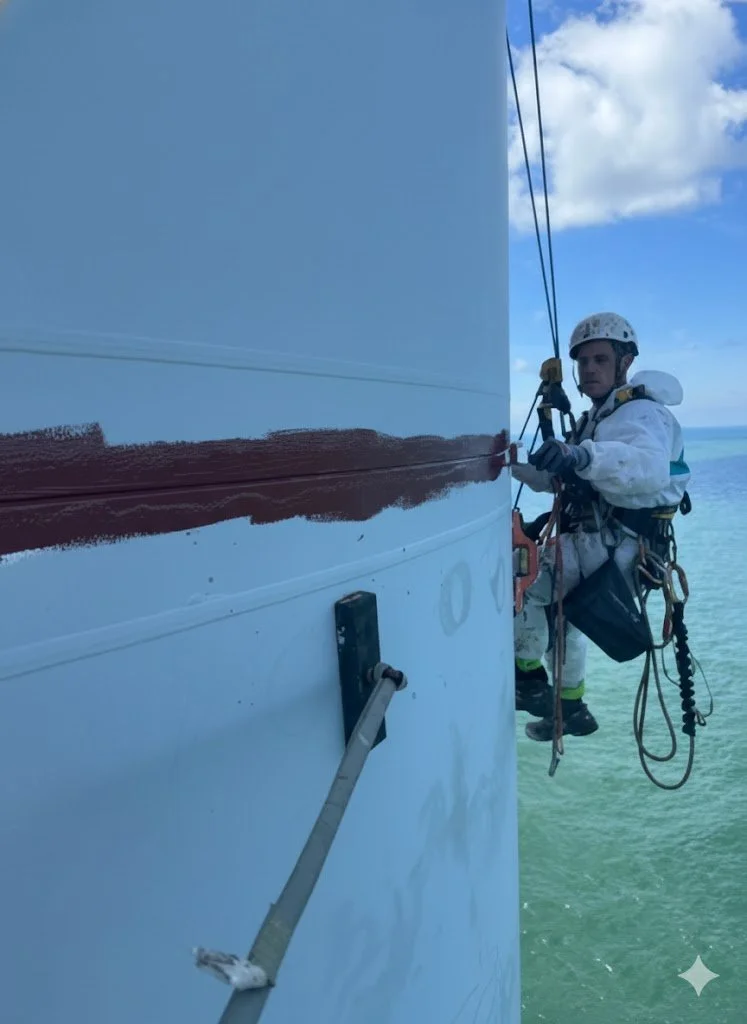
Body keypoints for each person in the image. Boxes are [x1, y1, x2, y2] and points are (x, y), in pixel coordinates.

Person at [512, 312, 691, 741]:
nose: (588, 369)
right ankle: (572, 708)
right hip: (609, 547)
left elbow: (648, 470)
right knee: (568, 617)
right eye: (582, 362)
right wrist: (514, 465)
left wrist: (582, 457)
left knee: (519, 580)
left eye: (599, 360)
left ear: (624, 363)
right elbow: (559, 477)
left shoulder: (643, 413)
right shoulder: (601, 418)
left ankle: (530, 683)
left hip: (616, 546)